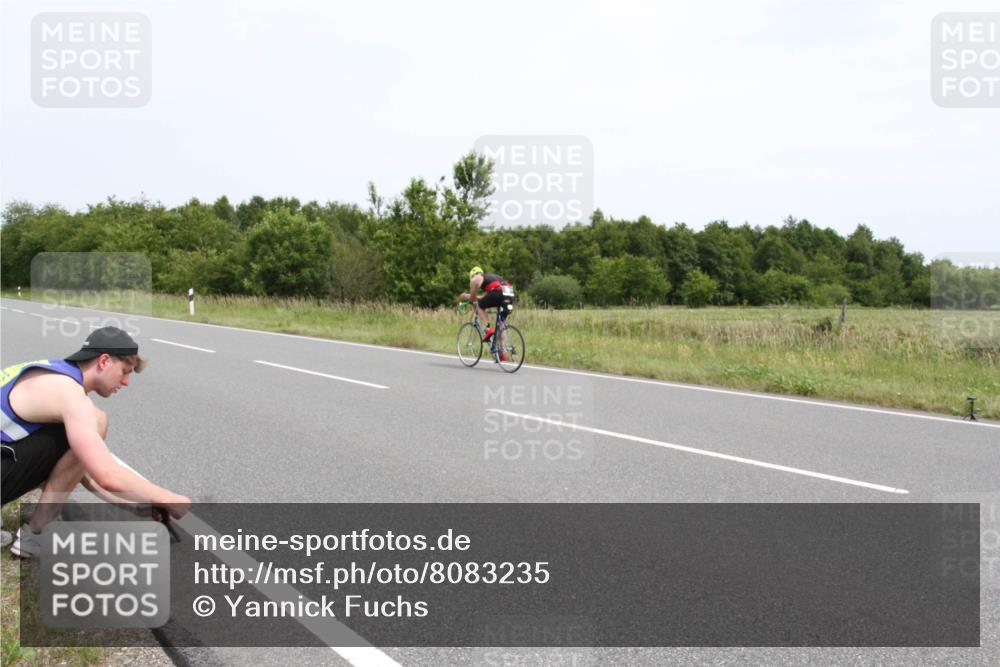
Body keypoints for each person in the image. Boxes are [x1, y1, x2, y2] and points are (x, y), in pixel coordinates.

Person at [1, 326, 190, 557]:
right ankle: (36, 534)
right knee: (97, 420)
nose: (126, 382)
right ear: (103, 361)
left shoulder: (51, 373)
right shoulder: (69, 394)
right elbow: (106, 475)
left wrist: (138, 506)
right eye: (125, 371)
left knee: (82, 438)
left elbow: (80, 470)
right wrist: (168, 498)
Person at [459, 266, 513, 361]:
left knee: (480, 306)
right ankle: (502, 352)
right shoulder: (492, 277)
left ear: (472, 275)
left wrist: (465, 296)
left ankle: (488, 330)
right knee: (501, 324)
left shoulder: (475, 279)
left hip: (498, 293)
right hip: (509, 293)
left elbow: (473, 298)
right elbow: (485, 297)